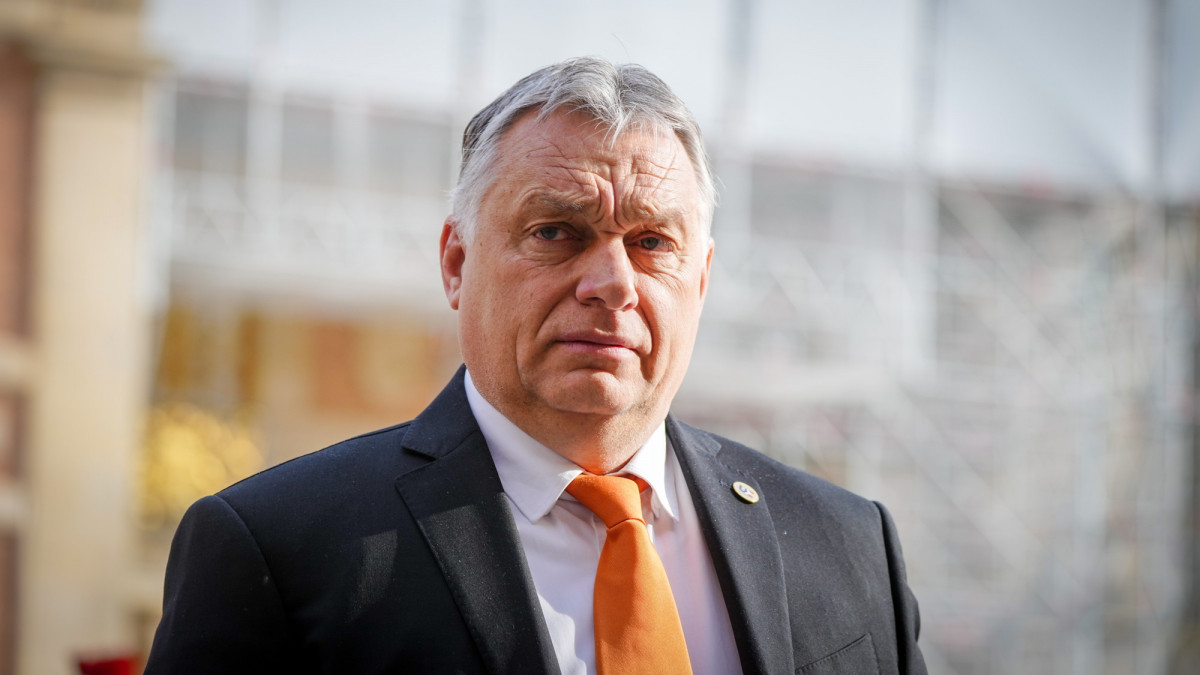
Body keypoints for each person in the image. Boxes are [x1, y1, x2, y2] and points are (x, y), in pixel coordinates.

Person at [146, 57, 926, 675]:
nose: (613, 283)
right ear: (456, 262)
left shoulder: (850, 546)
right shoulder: (278, 550)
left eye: (653, 243)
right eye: (557, 231)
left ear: (703, 280)